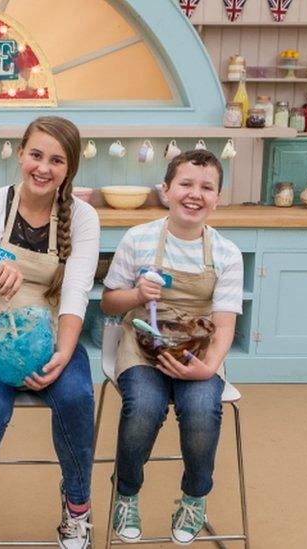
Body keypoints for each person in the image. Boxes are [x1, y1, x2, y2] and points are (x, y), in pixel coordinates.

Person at [0, 116, 100, 549]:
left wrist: (63, 355)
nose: (43, 167)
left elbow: (75, 293)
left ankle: (76, 507)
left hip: (49, 338)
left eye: (56, 160)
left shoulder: (83, 219)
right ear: (21, 154)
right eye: (36, 155)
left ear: (68, 168)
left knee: (75, 396)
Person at [100, 149, 243, 545]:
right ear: (166, 190)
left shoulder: (227, 254)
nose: (195, 194)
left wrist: (208, 368)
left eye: (207, 187)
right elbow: (109, 303)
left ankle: (195, 497)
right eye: (185, 184)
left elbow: (226, 323)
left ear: (217, 196)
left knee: (200, 409)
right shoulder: (138, 238)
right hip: (142, 346)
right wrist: (134, 294)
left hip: (198, 350)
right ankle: (126, 492)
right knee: (143, 407)